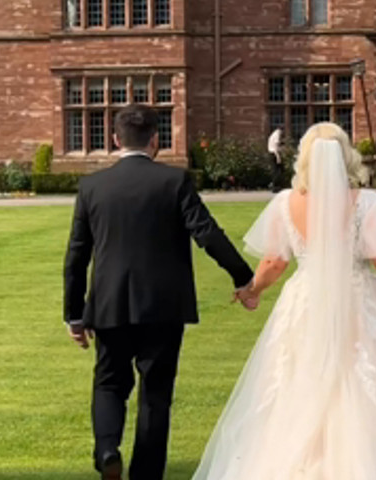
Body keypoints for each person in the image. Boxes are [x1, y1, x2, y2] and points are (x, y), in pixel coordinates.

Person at [193, 123, 376, 479]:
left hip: (305, 300)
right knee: (362, 383)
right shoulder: (365, 202)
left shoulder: (285, 203)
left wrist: (252, 291)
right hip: (359, 300)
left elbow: (275, 261)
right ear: (345, 156)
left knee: (297, 380)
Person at [63, 104, 258, 480]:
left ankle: (107, 450)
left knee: (109, 381)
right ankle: (146, 475)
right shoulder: (174, 181)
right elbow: (206, 232)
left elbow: (76, 255)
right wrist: (241, 275)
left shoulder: (92, 187)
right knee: (156, 395)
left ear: (116, 140)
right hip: (163, 306)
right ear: (156, 141)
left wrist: (74, 313)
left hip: (109, 303)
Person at [267, 128, 284, 193]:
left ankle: (275, 185)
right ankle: (275, 187)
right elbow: (276, 146)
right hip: (274, 154)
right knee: (277, 171)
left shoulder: (273, 135)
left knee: (277, 170)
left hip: (272, 153)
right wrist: (278, 156)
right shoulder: (277, 134)